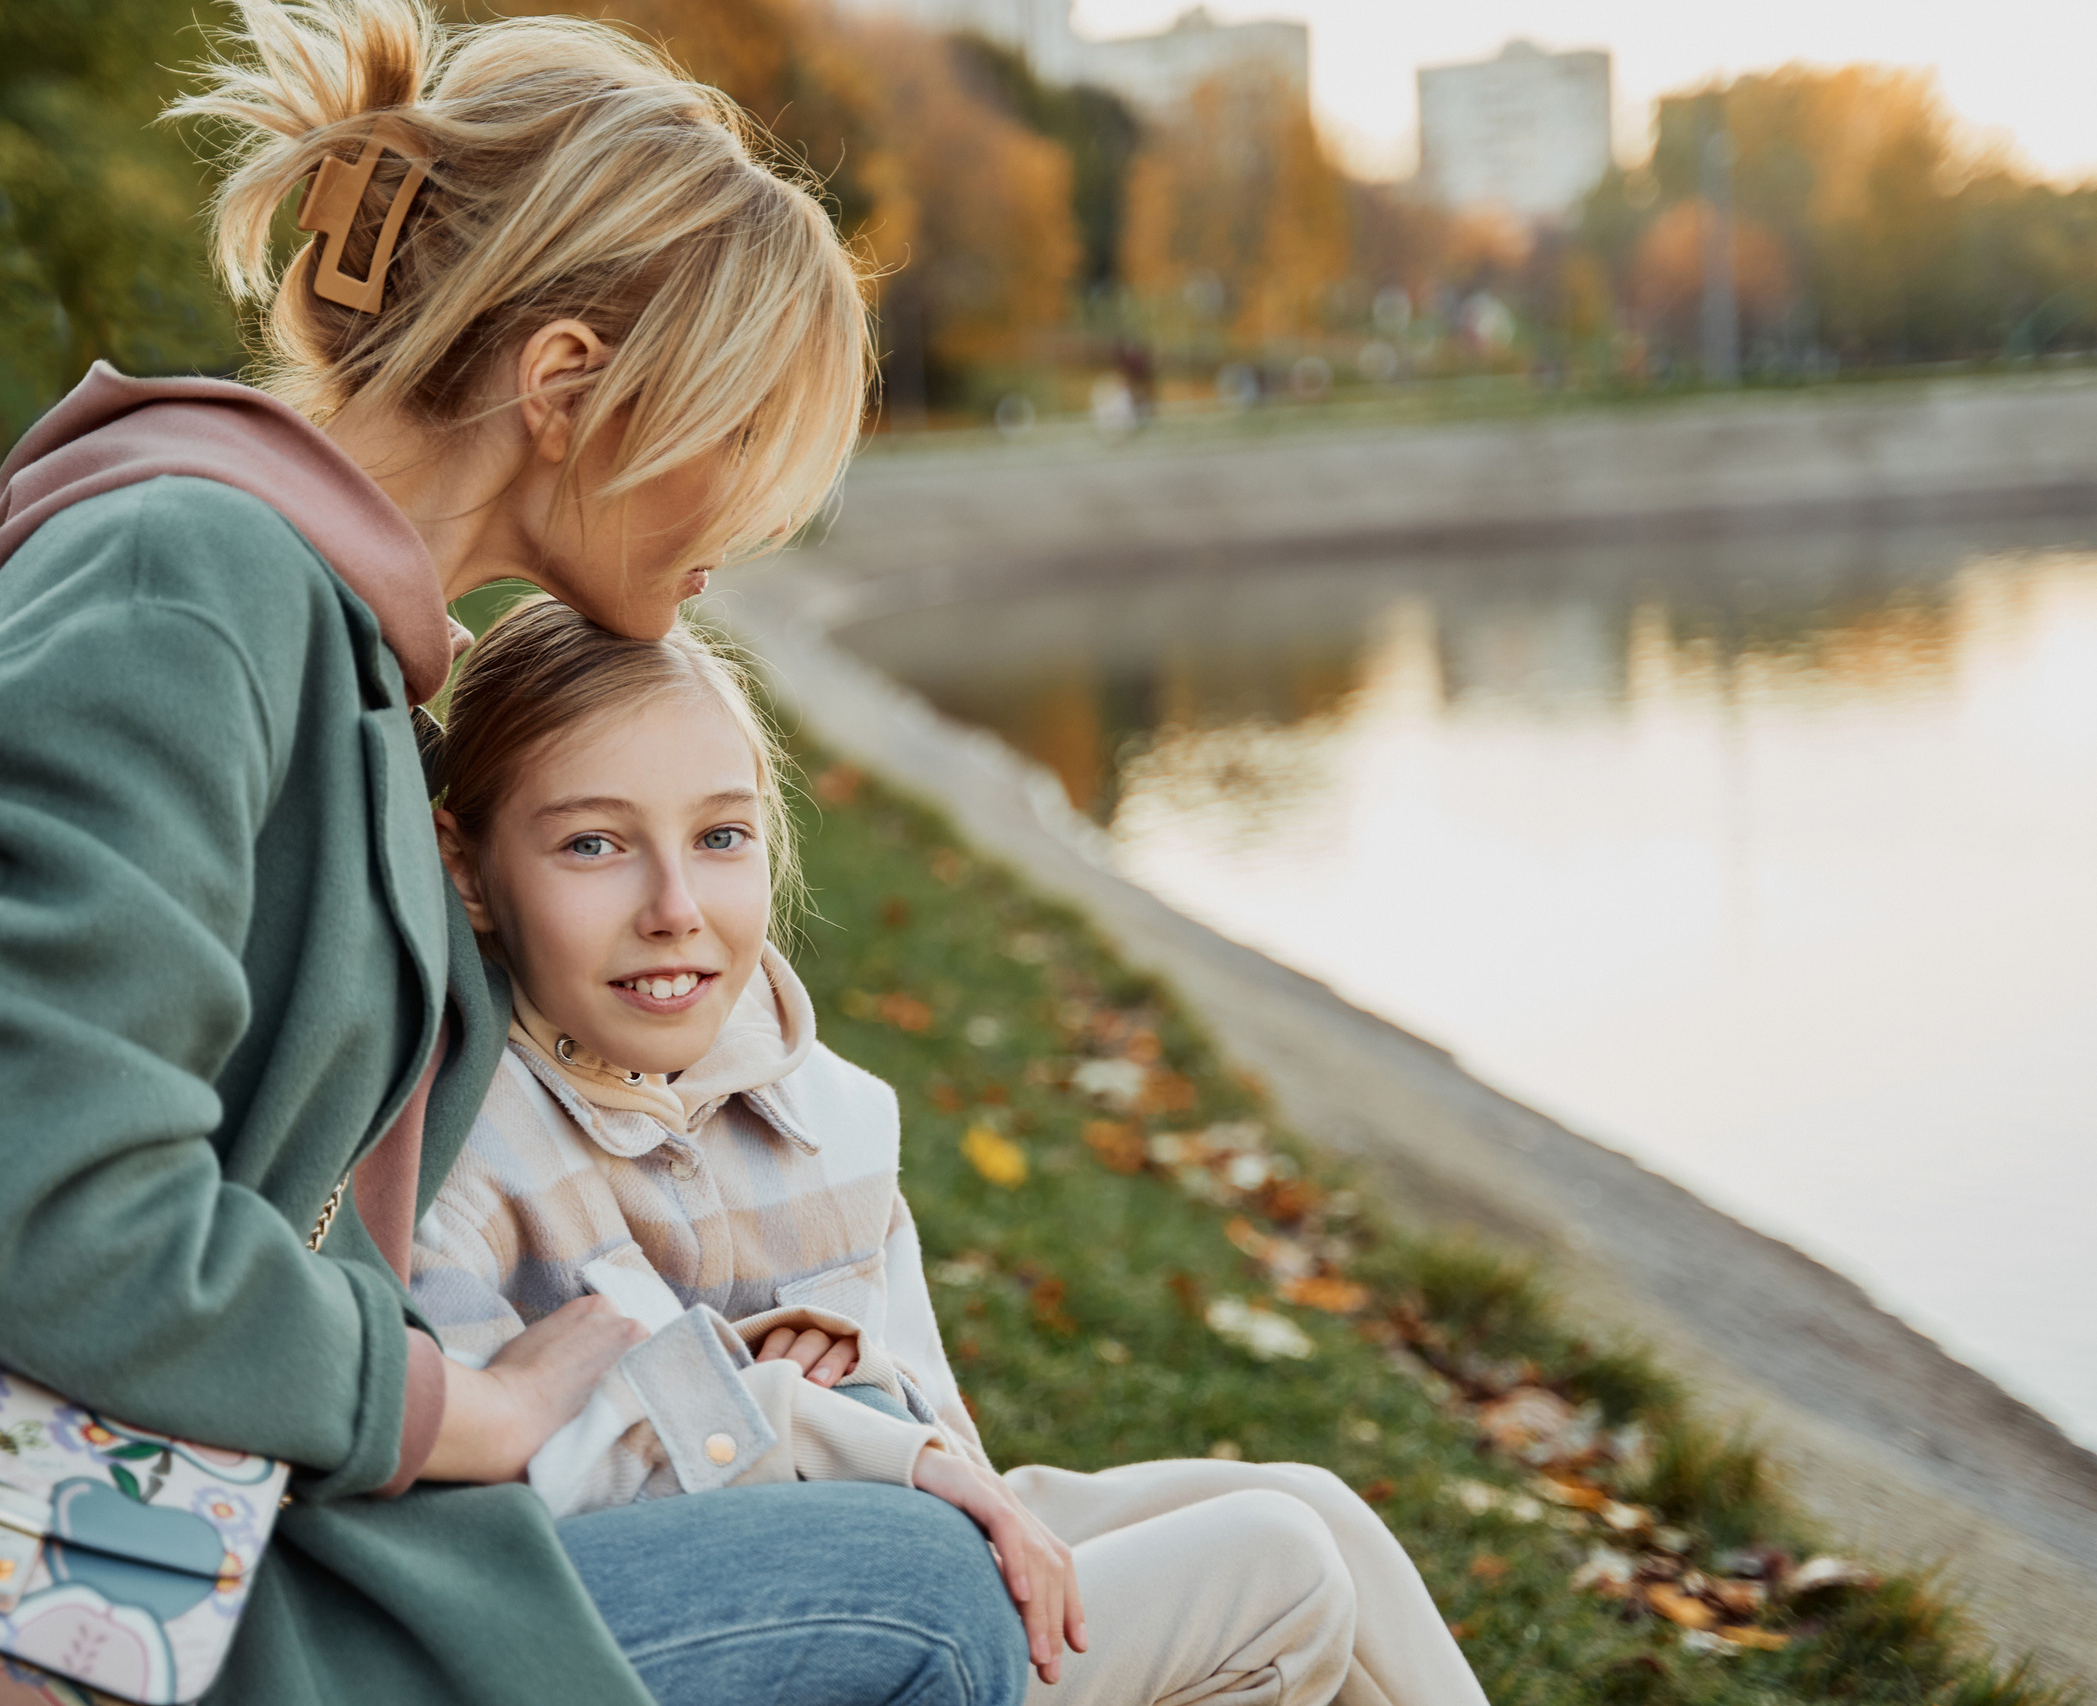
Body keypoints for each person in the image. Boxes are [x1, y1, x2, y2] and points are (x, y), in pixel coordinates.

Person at [0, 2, 1028, 1703]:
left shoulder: (333, 658)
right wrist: (447, 1406)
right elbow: (44, 1209)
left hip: (212, 1511)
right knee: (926, 1596)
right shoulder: (181, 595)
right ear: (566, 385)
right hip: (62, 1562)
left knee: (999, 1550)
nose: (763, 517)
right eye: (747, 440)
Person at [411, 596, 1498, 1706]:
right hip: (760, 1629)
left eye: (721, 836)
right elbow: (507, 1489)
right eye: (593, 844)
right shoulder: (454, 1149)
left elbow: (932, 1430)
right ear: (468, 868)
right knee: (1276, 1566)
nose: (675, 907)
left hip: (907, 1535)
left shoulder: (825, 1112)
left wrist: (867, 1403)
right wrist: (784, 1399)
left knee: (1319, 1507)